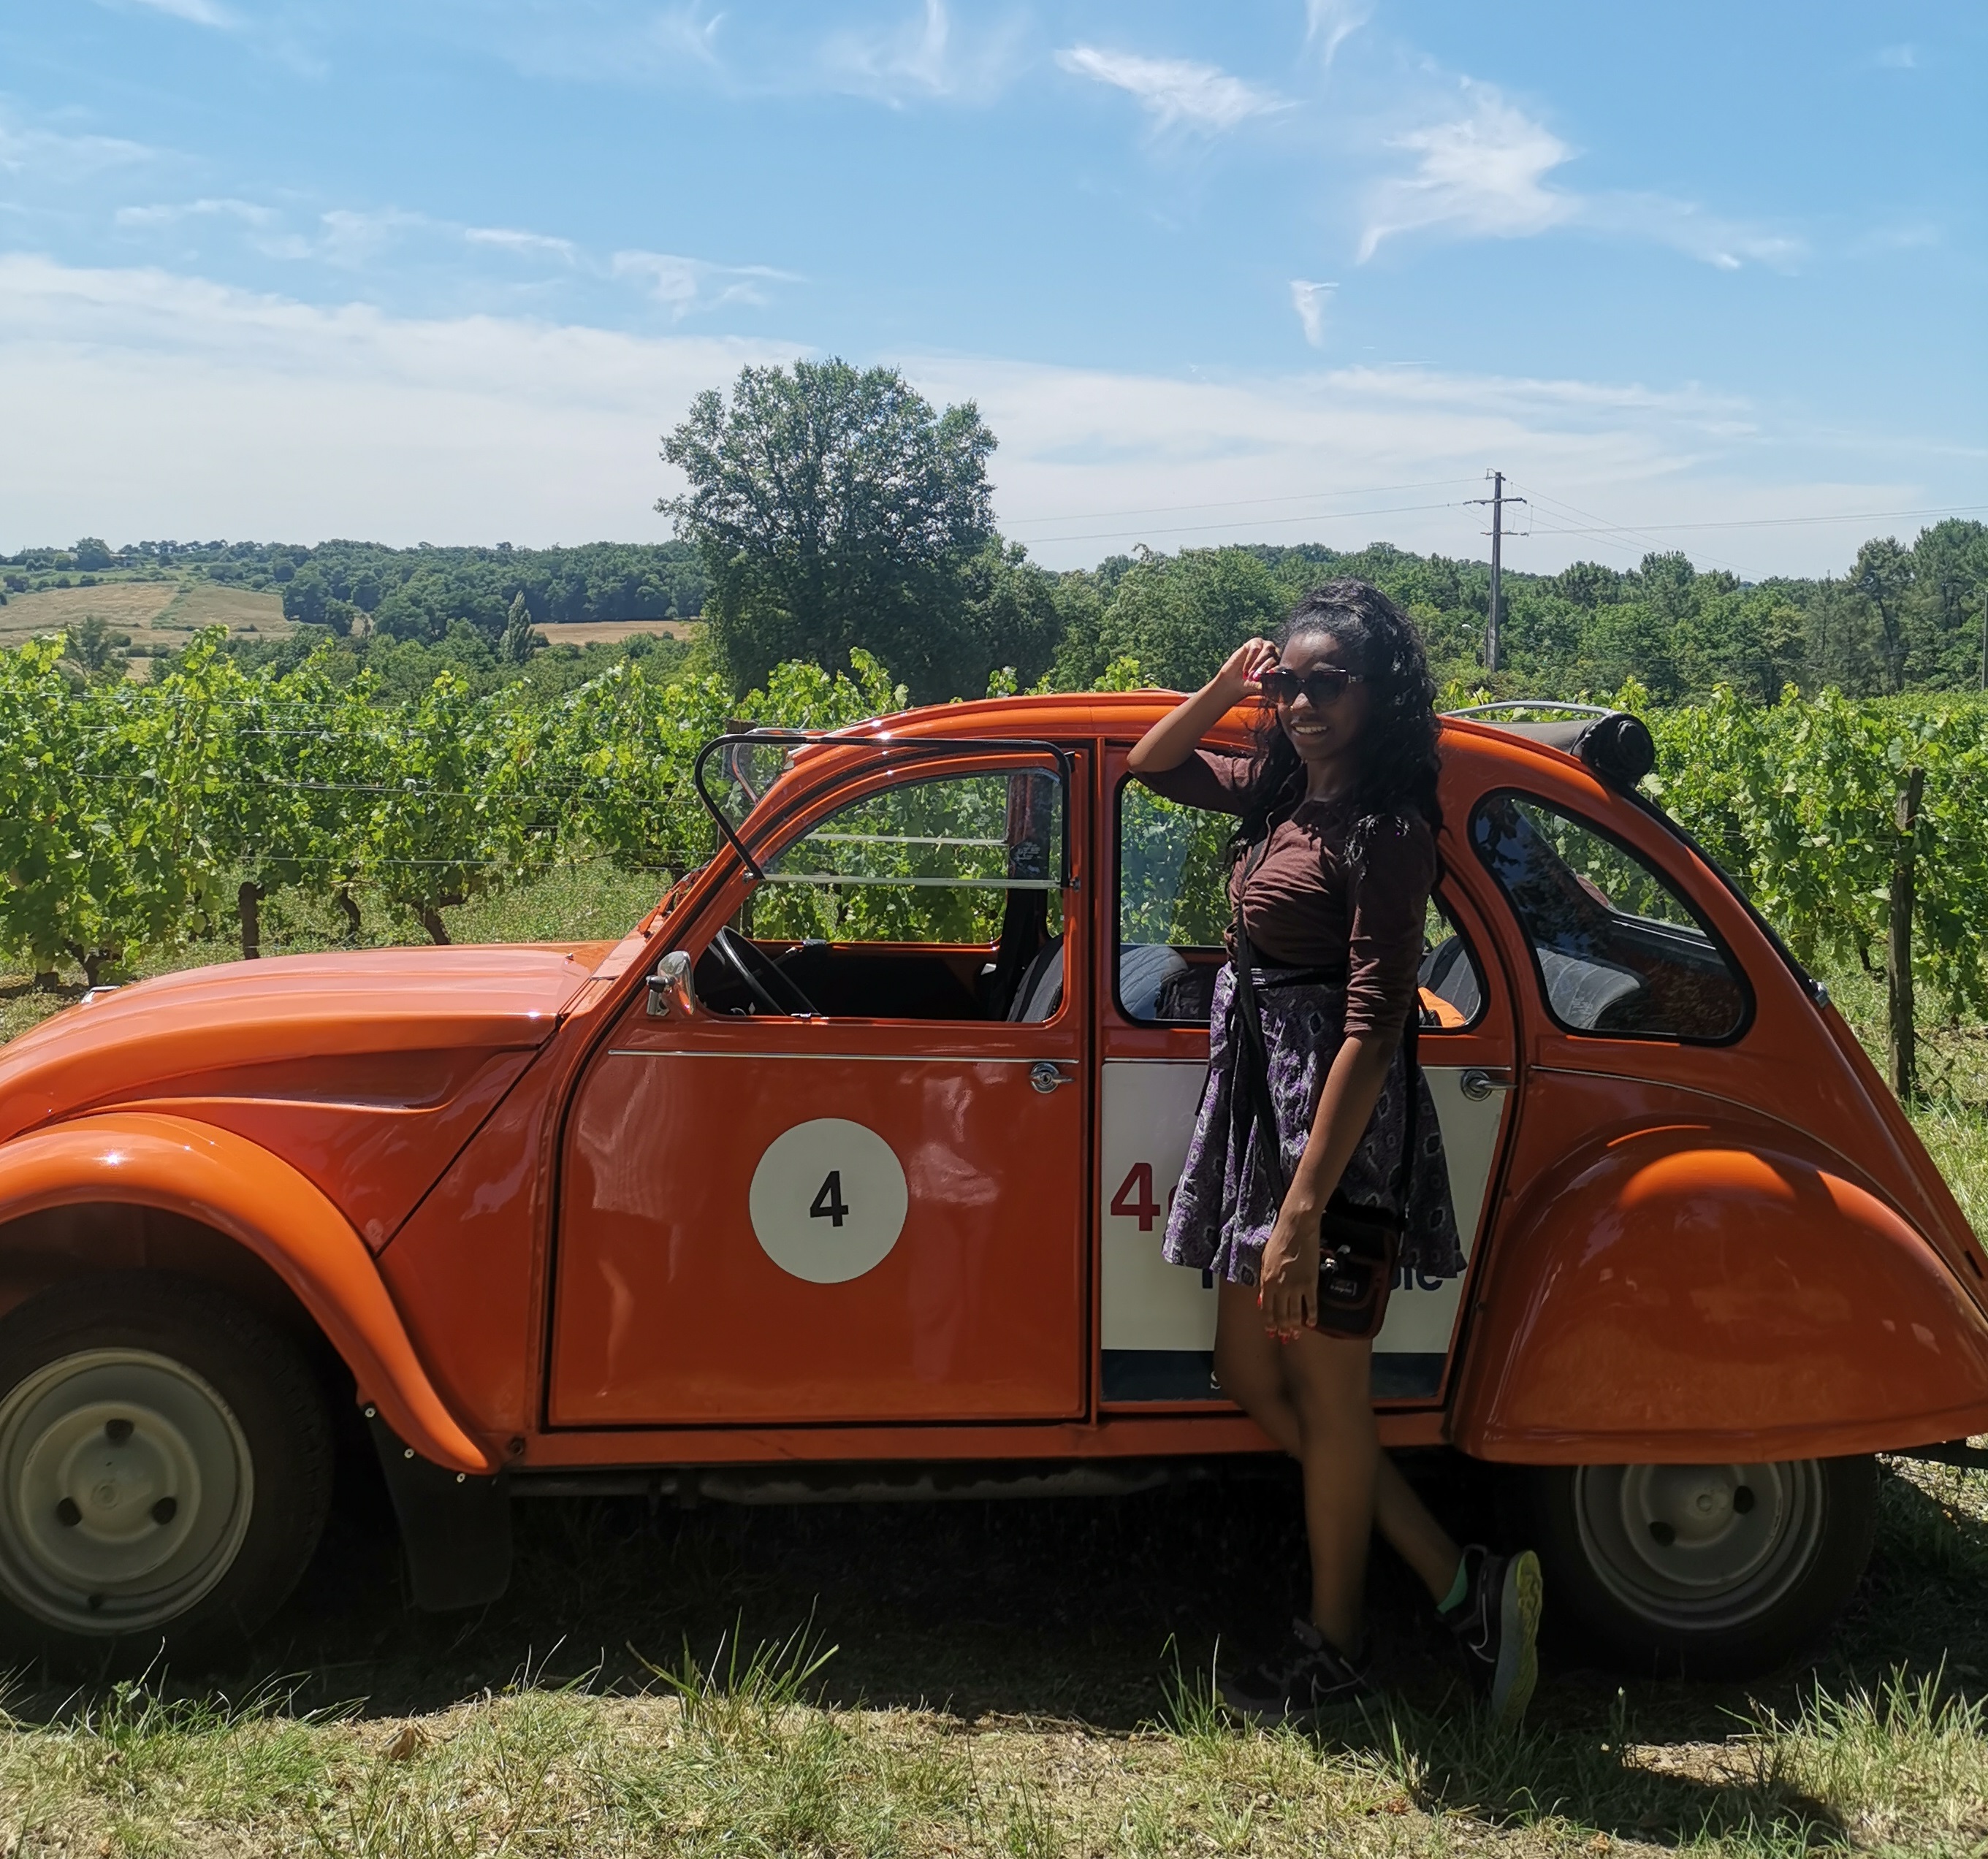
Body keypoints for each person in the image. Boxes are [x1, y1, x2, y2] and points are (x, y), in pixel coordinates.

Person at [1127, 579, 1542, 1725]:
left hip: (1333, 1136)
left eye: (1326, 683)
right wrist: (1226, 684)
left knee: (1327, 1388)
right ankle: (1462, 1581)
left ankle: (1338, 1651)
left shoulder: (1387, 829)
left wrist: (1308, 1210)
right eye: (1289, 682)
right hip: (1265, 1106)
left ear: (1380, 694)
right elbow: (1146, 766)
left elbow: (1375, 1023)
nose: (1303, 702)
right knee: (1250, 1371)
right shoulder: (1281, 798)